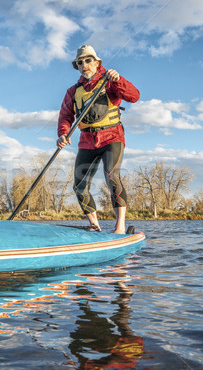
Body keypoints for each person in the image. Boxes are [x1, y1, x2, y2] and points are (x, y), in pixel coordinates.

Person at [57, 45, 140, 234]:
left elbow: (134, 96)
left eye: (88, 60)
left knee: (112, 176)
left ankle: (119, 228)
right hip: (87, 141)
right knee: (79, 186)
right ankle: (95, 227)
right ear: (77, 66)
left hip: (112, 137)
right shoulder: (73, 91)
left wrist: (118, 80)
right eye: (80, 62)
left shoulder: (110, 81)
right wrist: (63, 133)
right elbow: (65, 117)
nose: (84, 65)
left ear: (97, 62)